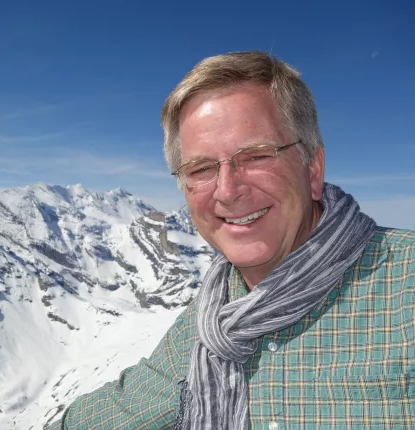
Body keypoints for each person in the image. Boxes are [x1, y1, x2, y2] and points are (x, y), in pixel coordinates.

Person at [46, 51, 415, 429]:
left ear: (313, 169)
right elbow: (128, 406)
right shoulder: (213, 315)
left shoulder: (405, 288)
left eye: (256, 156)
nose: (228, 190)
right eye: (201, 168)